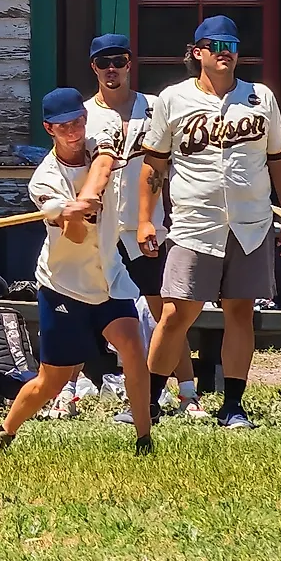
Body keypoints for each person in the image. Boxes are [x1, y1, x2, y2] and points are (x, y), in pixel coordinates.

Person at [137, 15, 281, 429]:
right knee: (175, 313)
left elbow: (280, 161)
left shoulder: (260, 98)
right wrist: (145, 219)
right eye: (215, 45)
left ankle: (234, 404)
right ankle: (149, 400)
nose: (224, 51)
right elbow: (154, 164)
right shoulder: (173, 99)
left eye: (231, 44)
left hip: (251, 223)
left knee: (240, 312)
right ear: (197, 53)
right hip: (194, 223)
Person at [0, 88, 154, 456]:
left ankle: (144, 439)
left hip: (109, 275)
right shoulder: (44, 181)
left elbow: (106, 161)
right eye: (63, 126)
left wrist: (91, 194)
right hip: (64, 284)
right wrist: (73, 212)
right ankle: (5, 431)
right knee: (52, 380)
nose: (74, 131)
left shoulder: (99, 138)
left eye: (78, 121)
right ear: (49, 128)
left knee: (132, 349)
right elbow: (76, 236)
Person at [84, 31, 187, 411]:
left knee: (167, 310)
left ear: (130, 63)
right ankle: (75, 385)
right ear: (93, 67)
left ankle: (187, 391)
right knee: (86, 303)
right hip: (103, 229)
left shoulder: (155, 106)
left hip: (149, 224)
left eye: (119, 62)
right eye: (103, 63)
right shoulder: (84, 113)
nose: (112, 70)